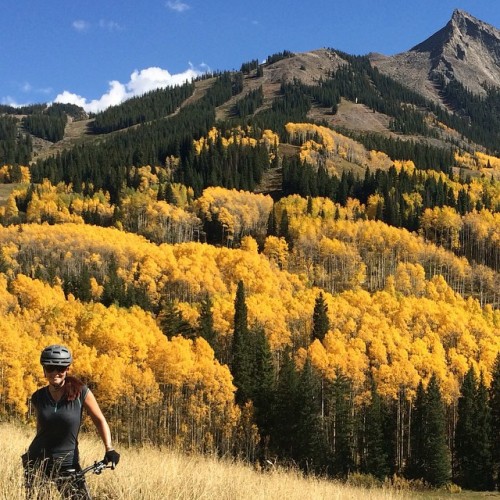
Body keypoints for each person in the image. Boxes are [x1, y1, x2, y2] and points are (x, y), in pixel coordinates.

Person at [22, 344, 120, 499]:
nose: (55, 372)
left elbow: (100, 420)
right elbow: (41, 428)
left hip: (68, 463)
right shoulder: (38, 397)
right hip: (38, 461)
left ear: (67, 369)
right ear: (44, 370)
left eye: (60, 369)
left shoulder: (81, 393)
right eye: (50, 368)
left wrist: (109, 449)